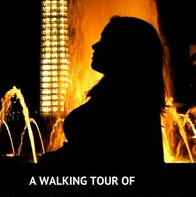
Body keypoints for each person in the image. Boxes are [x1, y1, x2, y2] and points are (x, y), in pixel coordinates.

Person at [40, 16, 165, 171]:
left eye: (105, 40)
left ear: (125, 50)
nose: (94, 46)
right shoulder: (128, 96)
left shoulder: (125, 102)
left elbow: (100, 154)